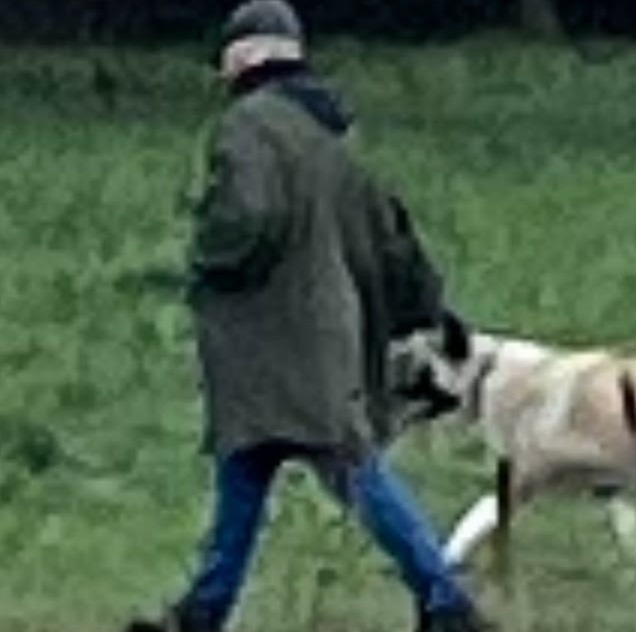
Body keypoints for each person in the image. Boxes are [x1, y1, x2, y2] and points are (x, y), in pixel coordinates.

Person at [124, 2, 491, 632]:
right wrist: (425, 309)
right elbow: (388, 234)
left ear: (243, 55)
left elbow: (248, 218)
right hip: (326, 338)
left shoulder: (247, 126)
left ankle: (446, 601)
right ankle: (202, 611)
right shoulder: (331, 134)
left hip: (270, 339)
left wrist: (207, 257)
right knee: (249, 473)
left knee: (349, 471)